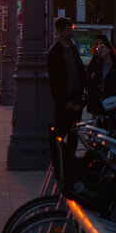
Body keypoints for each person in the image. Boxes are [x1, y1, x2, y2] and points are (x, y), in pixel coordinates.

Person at [47, 17, 88, 182]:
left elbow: (79, 72)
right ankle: (57, 164)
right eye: (69, 30)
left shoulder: (72, 48)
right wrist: (66, 102)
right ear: (61, 32)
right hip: (64, 101)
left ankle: (70, 164)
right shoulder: (54, 53)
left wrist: (84, 95)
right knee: (61, 132)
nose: (72, 32)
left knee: (74, 132)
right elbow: (54, 81)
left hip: (77, 98)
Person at [87, 34, 116, 135]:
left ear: (109, 49)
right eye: (97, 48)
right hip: (99, 107)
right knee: (100, 135)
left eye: (102, 47)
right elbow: (93, 88)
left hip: (113, 106)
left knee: (113, 134)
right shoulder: (97, 67)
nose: (99, 49)